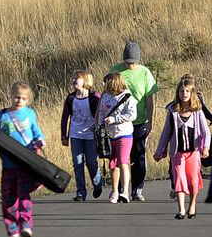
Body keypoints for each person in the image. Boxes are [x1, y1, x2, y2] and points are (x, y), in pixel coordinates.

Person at [0, 82, 47, 237]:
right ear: (10, 96)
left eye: (23, 98)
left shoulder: (29, 114)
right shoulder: (2, 116)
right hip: (8, 164)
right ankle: (12, 227)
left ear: (28, 99)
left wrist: (40, 140)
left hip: (26, 162)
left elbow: (36, 130)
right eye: (16, 97)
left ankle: (26, 224)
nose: (19, 101)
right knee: (9, 196)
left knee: (24, 194)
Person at [154, 75, 212, 220]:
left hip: (193, 152)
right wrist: (160, 150)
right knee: (179, 178)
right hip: (177, 153)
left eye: (187, 91)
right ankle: (181, 209)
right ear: (177, 94)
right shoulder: (173, 112)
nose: (184, 94)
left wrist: (205, 147)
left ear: (192, 94)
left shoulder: (197, 112)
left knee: (193, 180)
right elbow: (166, 132)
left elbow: (206, 132)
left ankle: (192, 205)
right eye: (181, 91)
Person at [109, 41, 158, 202]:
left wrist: (151, 120)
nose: (130, 65)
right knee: (120, 158)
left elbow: (150, 99)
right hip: (119, 124)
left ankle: (137, 188)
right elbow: (107, 95)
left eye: (134, 62)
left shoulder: (145, 73)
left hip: (139, 120)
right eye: (128, 62)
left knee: (139, 156)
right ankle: (120, 190)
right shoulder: (116, 71)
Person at [60, 70, 104, 202]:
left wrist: (100, 130)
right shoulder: (70, 98)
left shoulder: (94, 97)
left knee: (91, 162)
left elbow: (101, 114)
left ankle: (97, 183)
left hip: (91, 136)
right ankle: (81, 192)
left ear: (85, 81)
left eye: (76, 79)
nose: (73, 81)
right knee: (77, 163)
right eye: (72, 78)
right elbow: (64, 118)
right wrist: (64, 135)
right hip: (75, 135)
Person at [98, 72, 137, 204]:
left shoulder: (127, 97)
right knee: (113, 163)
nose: (104, 85)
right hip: (109, 135)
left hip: (124, 134)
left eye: (106, 82)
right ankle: (114, 190)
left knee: (123, 161)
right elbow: (101, 112)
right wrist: (100, 126)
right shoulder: (105, 97)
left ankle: (125, 191)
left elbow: (132, 115)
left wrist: (115, 119)